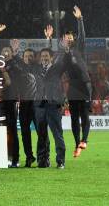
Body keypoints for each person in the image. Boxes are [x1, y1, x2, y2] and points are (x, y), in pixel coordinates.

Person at [63, 6, 92, 158]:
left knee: (84, 115)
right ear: (63, 40)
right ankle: (77, 145)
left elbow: (83, 36)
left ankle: (84, 140)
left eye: (70, 37)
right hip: (73, 87)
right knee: (74, 118)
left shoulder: (79, 48)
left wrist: (80, 19)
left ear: (73, 39)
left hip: (84, 85)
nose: (68, 38)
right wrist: (48, 39)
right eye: (66, 37)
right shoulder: (63, 54)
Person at [34, 41, 67, 169]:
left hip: (54, 106)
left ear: (51, 57)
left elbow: (62, 57)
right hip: (40, 106)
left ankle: (60, 161)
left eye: (46, 56)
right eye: (42, 56)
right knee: (41, 135)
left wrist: (52, 42)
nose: (44, 58)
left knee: (57, 134)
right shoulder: (37, 69)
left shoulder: (56, 69)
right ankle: (42, 161)